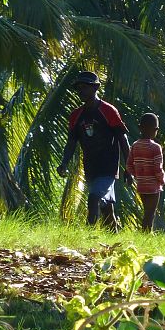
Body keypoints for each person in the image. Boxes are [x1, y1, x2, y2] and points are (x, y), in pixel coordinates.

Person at [57, 71, 131, 229]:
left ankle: (86, 236)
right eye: (79, 88)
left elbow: (122, 139)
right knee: (106, 208)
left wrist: (129, 167)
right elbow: (71, 142)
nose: (81, 91)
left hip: (108, 167)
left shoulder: (108, 111)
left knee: (93, 197)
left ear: (95, 87)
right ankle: (114, 238)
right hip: (91, 168)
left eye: (84, 87)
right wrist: (64, 163)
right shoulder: (76, 116)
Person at [126, 113, 165, 232]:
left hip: (142, 185)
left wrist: (138, 175)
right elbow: (158, 168)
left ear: (139, 127)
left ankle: (146, 233)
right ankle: (146, 234)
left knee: (146, 211)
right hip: (153, 186)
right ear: (156, 130)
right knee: (150, 213)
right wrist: (162, 180)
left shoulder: (135, 146)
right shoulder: (155, 147)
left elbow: (129, 165)